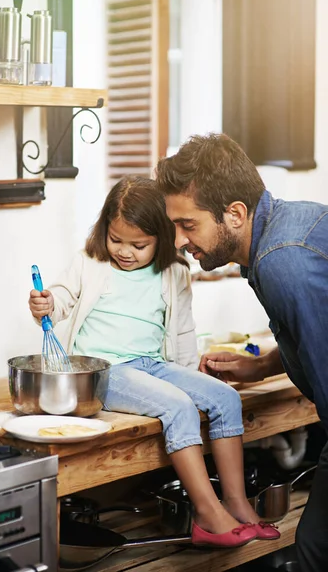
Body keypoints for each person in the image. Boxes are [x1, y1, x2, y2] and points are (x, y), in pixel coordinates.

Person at [28, 176, 278, 548]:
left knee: (225, 399)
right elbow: (62, 298)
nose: (125, 252)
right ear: (104, 232)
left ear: (162, 237)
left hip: (153, 365)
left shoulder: (174, 271)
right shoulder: (90, 263)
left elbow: (181, 333)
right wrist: (46, 303)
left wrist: (193, 375)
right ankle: (207, 514)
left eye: (139, 245)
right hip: (105, 372)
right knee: (178, 407)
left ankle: (237, 503)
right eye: (116, 240)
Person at [156, 132, 328, 570]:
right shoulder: (287, 228)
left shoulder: (280, 261)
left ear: (234, 214)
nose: (178, 241)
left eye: (188, 225)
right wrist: (264, 364)